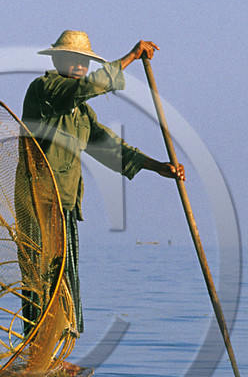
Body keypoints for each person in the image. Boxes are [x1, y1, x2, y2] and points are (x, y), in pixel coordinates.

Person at [17, 30, 184, 336]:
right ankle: (33, 352)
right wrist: (131, 57)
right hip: (37, 200)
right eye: (73, 60)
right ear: (58, 60)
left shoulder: (81, 113)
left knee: (62, 279)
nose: (80, 66)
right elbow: (88, 87)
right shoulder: (45, 89)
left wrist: (158, 167)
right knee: (39, 279)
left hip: (64, 204)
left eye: (84, 61)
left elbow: (111, 148)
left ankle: (53, 351)